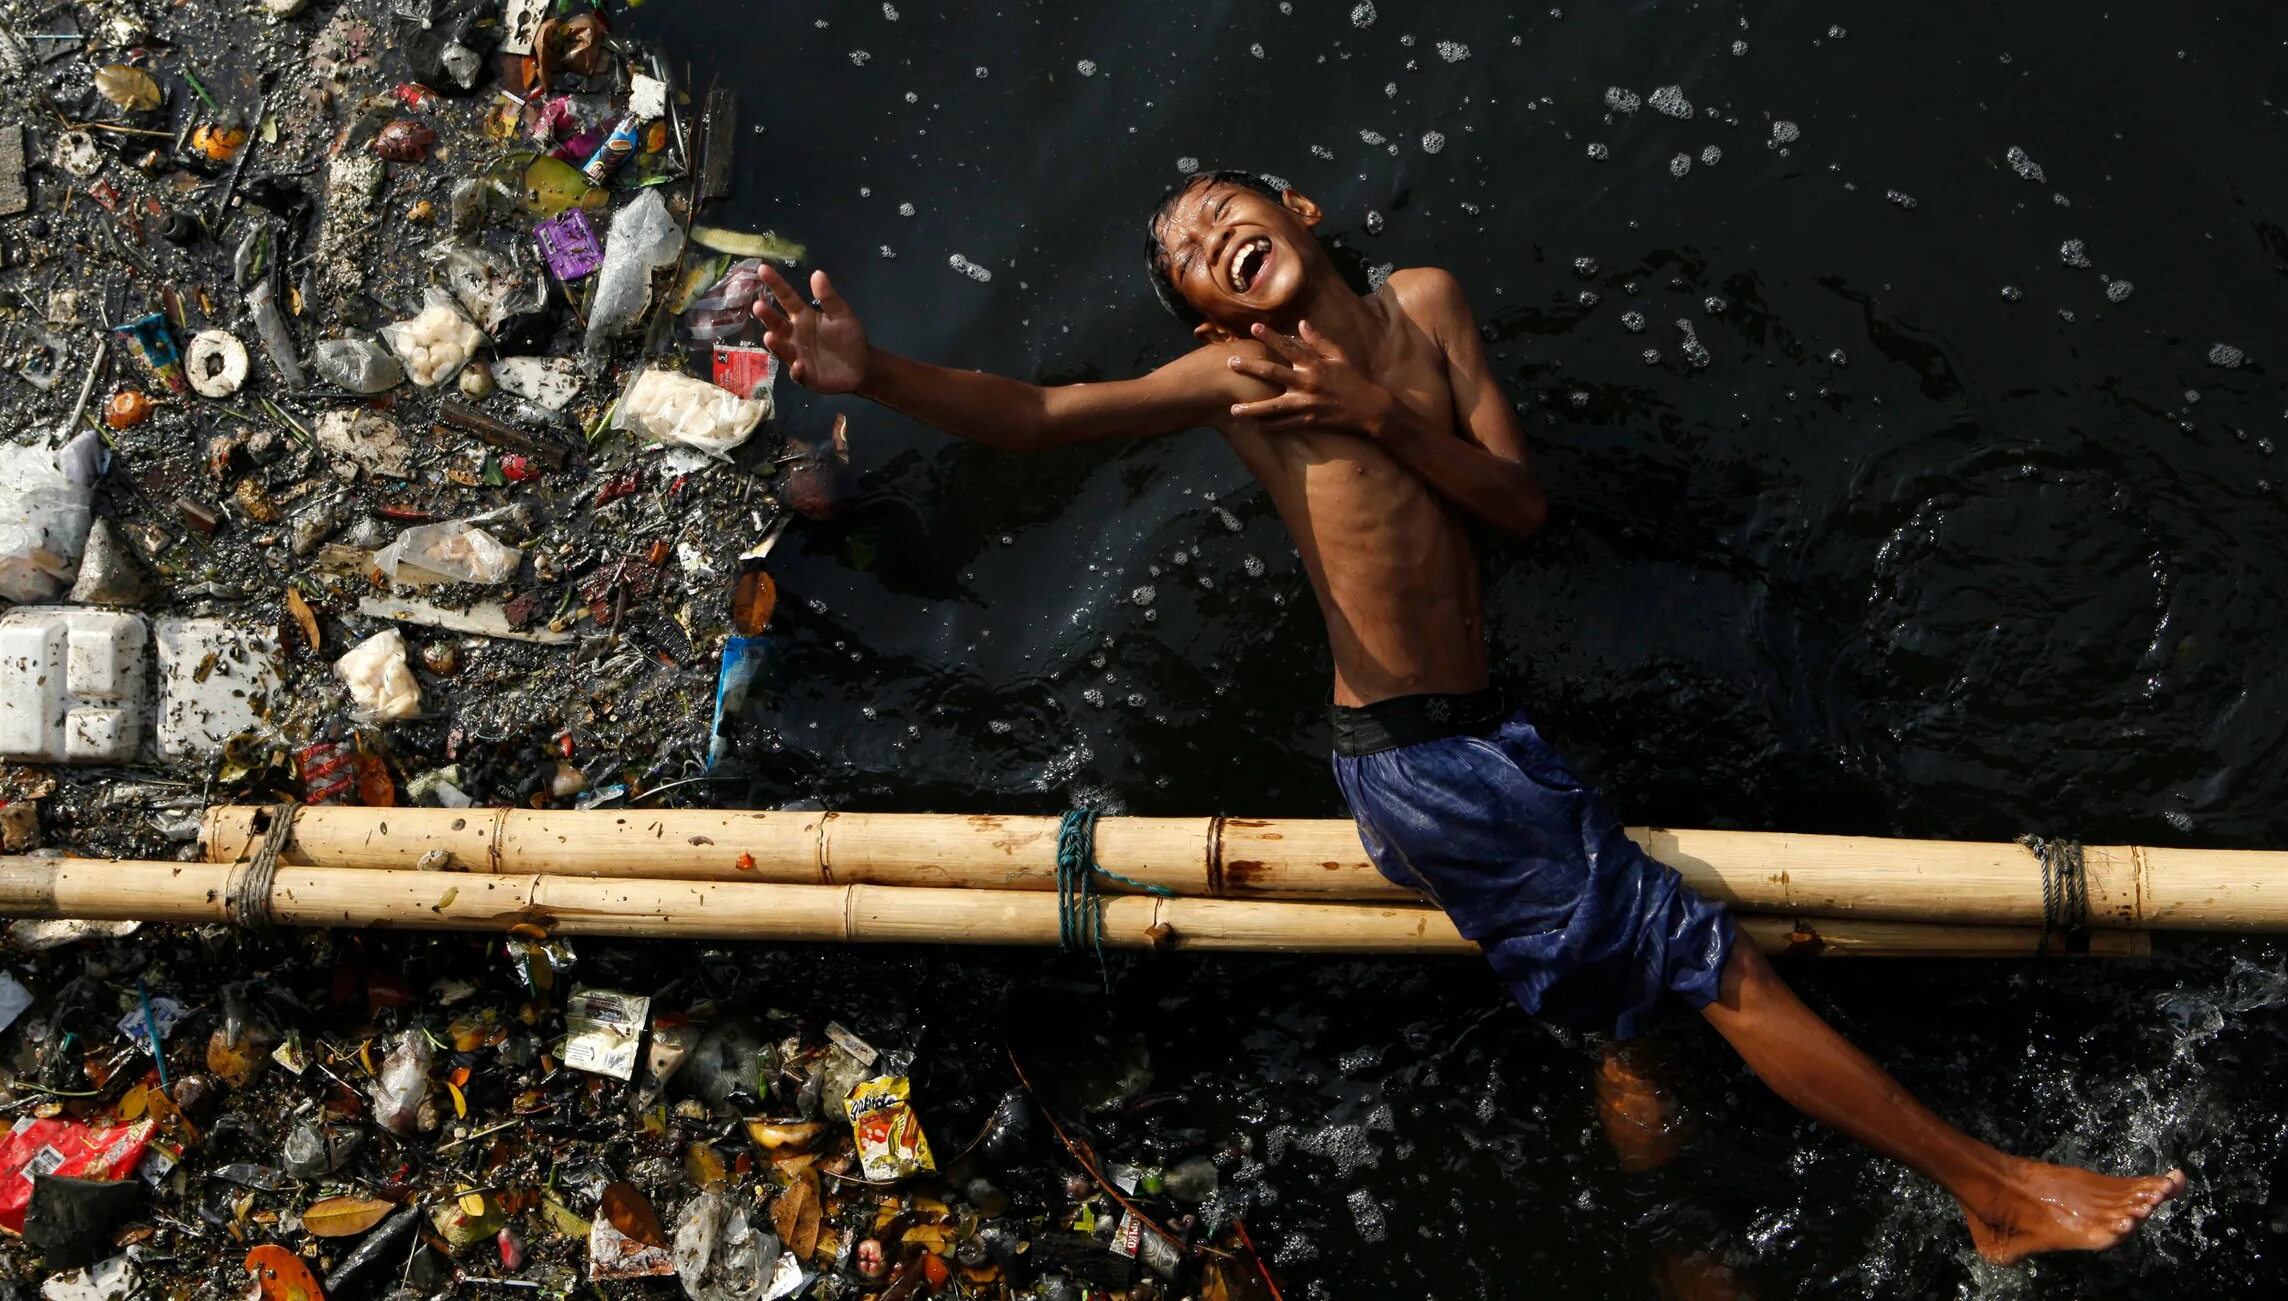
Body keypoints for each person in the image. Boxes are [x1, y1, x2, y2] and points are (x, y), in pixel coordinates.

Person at [753, 168, 2186, 1266]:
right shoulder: (1245, 375)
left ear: (1298, 209)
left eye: (1218, 207)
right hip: (1419, 762)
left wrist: (1375, 411)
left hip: (1486, 726)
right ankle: (1992, 1193)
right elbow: (1045, 410)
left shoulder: (1426, 309)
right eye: (1190, 260)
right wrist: (872, 373)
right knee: (1713, 963)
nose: (1208, 238)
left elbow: (1517, 501)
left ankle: (1685, 1256)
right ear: (1210, 317)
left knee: (1624, 1015)